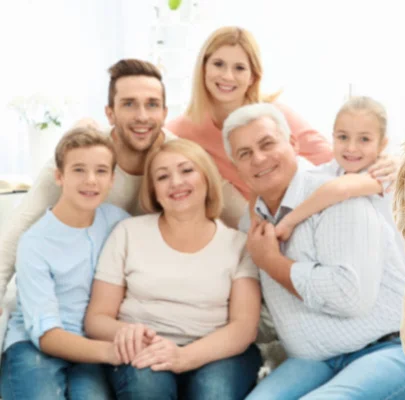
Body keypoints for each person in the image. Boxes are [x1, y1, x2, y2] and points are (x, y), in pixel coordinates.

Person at [223, 103, 405, 399]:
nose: (258, 158)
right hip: (315, 361)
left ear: (292, 143)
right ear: (236, 166)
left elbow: (349, 296)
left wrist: (273, 262)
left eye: (267, 144)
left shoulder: (340, 197)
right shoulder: (250, 227)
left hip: (388, 348)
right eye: (244, 153)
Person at [84, 139, 262, 400]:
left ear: (207, 178)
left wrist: (183, 357)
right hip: (145, 347)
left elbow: (244, 327)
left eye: (187, 170)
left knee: (213, 395)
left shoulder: (239, 245)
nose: (176, 182)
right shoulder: (128, 233)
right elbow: (96, 318)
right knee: (148, 392)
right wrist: (128, 333)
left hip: (217, 352)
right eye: (163, 176)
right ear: (154, 190)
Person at [0, 59, 172, 311]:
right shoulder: (81, 154)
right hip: (71, 290)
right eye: (128, 104)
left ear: (165, 114)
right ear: (110, 113)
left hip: (132, 295)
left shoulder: (177, 159)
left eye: (152, 104)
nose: (142, 116)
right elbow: (22, 222)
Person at [166, 26, 398, 204]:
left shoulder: (273, 117)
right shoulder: (180, 131)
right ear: (203, 68)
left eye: (239, 68)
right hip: (241, 224)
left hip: (294, 216)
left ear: (253, 76)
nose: (227, 76)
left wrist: (388, 164)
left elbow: (337, 160)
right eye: (218, 64)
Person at [0, 127, 130, 400]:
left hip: (89, 348)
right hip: (35, 346)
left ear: (112, 179)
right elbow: (47, 335)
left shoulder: (119, 222)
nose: (90, 180)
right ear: (59, 177)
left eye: (101, 171)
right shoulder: (35, 243)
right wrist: (111, 352)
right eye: (79, 170)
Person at [274, 96, 405, 277]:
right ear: (332, 137)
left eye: (364, 139)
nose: (351, 147)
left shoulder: (384, 171)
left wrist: (288, 222)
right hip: (353, 273)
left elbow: (342, 189)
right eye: (343, 137)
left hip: (398, 279)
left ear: (382, 145)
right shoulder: (322, 174)